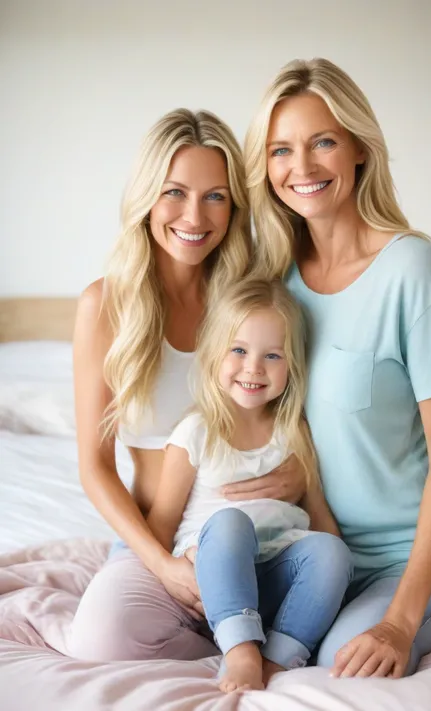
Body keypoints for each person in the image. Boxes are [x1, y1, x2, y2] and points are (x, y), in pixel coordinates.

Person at [244, 57, 431, 678]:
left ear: (358, 150)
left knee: (335, 665)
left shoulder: (413, 270)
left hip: (401, 562)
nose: (303, 168)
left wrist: (400, 621)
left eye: (324, 142)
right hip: (306, 551)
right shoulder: (274, 281)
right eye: (281, 150)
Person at [69, 109, 307, 661]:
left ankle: (245, 643)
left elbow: (294, 410)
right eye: (175, 192)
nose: (194, 216)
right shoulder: (105, 306)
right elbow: (94, 466)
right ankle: (229, 647)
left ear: (235, 206)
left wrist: (299, 469)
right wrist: (162, 566)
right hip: (162, 541)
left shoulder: (252, 299)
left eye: (216, 196)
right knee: (98, 640)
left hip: (264, 538)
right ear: (147, 196)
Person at [146, 278, 353, 692]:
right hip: (212, 578)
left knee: (331, 549)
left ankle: (277, 658)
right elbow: (161, 523)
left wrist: (337, 572)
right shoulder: (195, 432)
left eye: (272, 355)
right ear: (214, 354)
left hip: (276, 581)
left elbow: (321, 518)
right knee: (230, 524)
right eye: (239, 350)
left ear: (292, 365)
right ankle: (240, 650)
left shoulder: (294, 433)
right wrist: (173, 571)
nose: (253, 368)